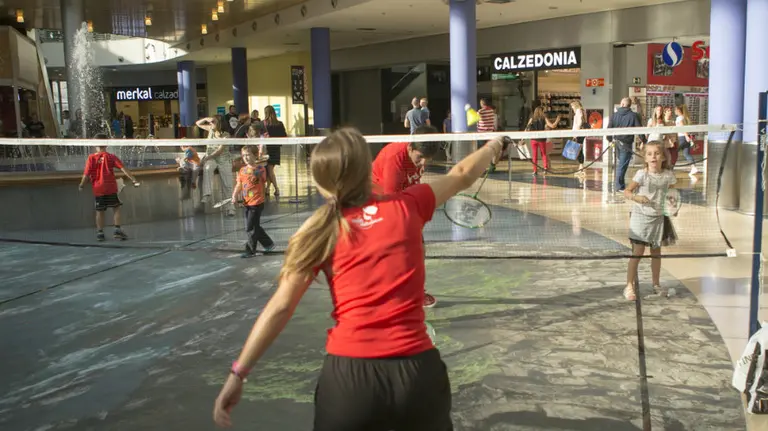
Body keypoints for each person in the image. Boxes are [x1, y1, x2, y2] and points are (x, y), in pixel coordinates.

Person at [212, 127, 507, 431]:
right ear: (367, 169)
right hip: (418, 374)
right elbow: (462, 173)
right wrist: (493, 146)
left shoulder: (318, 229)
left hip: (350, 381)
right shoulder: (409, 204)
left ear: (321, 180)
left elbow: (280, 308)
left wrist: (238, 373)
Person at [372, 125, 440, 308]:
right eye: (420, 157)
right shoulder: (396, 159)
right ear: (410, 148)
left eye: (428, 160)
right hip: (377, 201)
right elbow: (391, 204)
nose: (423, 163)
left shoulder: (417, 157)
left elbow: (411, 187)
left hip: (400, 199)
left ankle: (414, 291)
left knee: (418, 248)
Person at [623, 141, 677, 301]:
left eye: (657, 153)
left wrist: (673, 206)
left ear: (663, 157)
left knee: (656, 254)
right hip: (640, 218)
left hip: (659, 218)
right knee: (637, 254)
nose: (653, 156)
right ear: (645, 158)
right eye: (649, 153)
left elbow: (672, 193)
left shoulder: (668, 175)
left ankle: (656, 284)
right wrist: (636, 197)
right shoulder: (642, 174)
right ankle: (629, 286)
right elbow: (626, 192)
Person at [78, 134, 138, 242]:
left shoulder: (91, 158)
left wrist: (81, 185)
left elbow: (86, 174)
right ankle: (117, 230)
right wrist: (133, 179)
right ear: (106, 144)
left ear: (95, 145)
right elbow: (123, 169)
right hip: (110, 187)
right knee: (116, 207)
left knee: (99, 211)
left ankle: (100, 233)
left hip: (98, 188)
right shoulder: (111, 157)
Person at [232, 146, 274, 258]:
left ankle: (250, 250)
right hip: (247, 202)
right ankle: (268, 243)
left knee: (250, 227)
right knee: (255, 226)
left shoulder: (260, 169)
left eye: (248, 155)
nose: (245, 157)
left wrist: (255, 173)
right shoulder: (242, 171)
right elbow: (239, 185)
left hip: (257, 202)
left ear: (255, 155)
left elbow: (262, 178)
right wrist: (234, 195)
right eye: (244, 155)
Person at [196, 116, 236, 216]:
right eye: (211, 122)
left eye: (213, 122)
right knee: (208, 168)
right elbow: (198, 123)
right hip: (211, 158)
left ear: (219, 123)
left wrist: (207, 157)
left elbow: (220, 150)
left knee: (227, 185)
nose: (211, 124)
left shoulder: (226, 135)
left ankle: (230, 207)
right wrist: (207, 118)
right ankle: (207, 193)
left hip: (223, 159)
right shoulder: (210, 129)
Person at [608, 98, 645, 193]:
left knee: (621, 163)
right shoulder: (633, 116)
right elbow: (639, 130)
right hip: (626, 144)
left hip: (616, 142)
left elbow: (609, 128)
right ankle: (619, 186)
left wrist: (609, 139)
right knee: (622, 165)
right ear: (629, 105)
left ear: (622, 104)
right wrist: (644, 141)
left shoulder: (614, 115)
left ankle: (620, 184)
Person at [526, 107, 560, 176]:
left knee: (534, 155)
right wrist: (557, 120)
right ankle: (545, 169)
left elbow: (527, 128)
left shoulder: (532, 119)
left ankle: (535, 171)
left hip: (533, 139)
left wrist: (522, 138)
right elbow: (552, 126)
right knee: (544, 154)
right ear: (542, 111)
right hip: (541, 139)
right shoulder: (544, 118)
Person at [260, 105, 286, 197]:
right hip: (276, 149)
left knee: (269, 170)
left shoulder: (262, 123)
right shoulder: (280, 123)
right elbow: (284, 136)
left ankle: (276, 188)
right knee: (269, 170)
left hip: (266, 149)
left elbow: (259, 136)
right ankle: (267, 189)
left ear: (265, 113)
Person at [675, 104, 698, 176]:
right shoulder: (685, 117)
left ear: (679, 111)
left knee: (674, 152)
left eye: (676, 110)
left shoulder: (679, 118)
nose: (674, 111)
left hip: (682, 137)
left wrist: (686, 135)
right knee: (686, 153)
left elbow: (682, 127)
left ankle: (669, 167)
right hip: (686, 137)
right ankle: (693, 167)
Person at [570, 101, 588, 177]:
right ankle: (581, 168)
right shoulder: (583, 110)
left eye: (572, 106)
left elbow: (579, 122)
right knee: (579, 149)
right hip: (581, 133)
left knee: (579, 150)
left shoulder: (578, 111)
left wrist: (576, 133)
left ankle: (581, 168)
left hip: (578, 133)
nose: (571, 108)